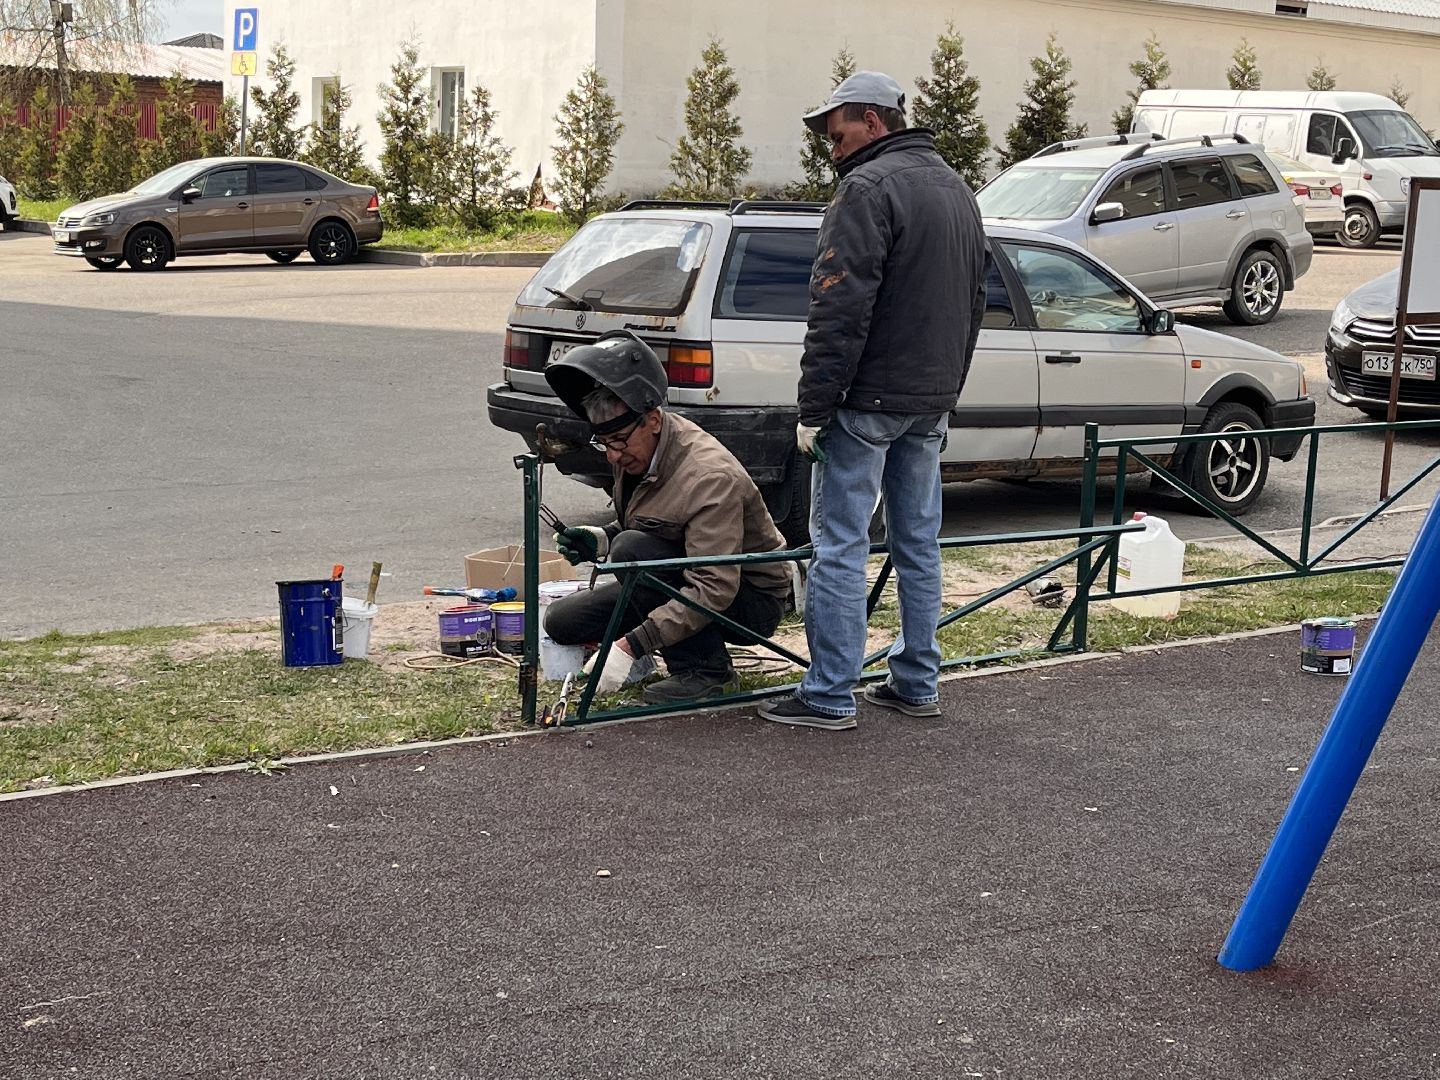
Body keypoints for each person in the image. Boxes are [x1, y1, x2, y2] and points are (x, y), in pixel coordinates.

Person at [759, 70, 988, 732]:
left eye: (838, 133)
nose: (832, 149)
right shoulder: (955, 188)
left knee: (838, 542)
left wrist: (813, 408)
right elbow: (976, 301)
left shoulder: (865, 188)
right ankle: (917, 680)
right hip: (928, 398)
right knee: (918, 542)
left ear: (873, 121)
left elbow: (838, 301)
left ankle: (829, 690)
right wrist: (949, 387)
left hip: (867, 398)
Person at [542, 330, 793, 704]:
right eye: (603, 443)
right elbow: (651, 527)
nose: (612, 456)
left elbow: (713, 587)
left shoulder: (709, 477)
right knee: (561, 622)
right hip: (681, 571)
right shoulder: (637, 448)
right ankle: (664, 636)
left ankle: (707, 673)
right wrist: (602, 537)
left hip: (748, 599)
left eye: (620, 442)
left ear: (653, 420)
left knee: (632, 552)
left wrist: (630, 646)